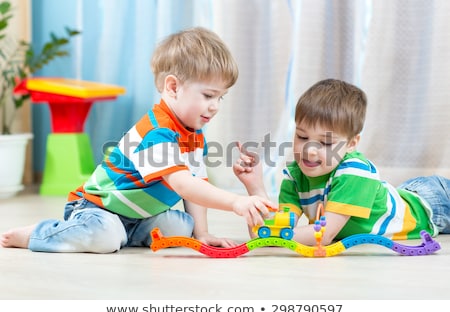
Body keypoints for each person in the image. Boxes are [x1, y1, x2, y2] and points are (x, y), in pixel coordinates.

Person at [1, 27, 275, 253]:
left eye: (220, 98)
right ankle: (39, 233)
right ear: (173, 87)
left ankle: (127, 234)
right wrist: (236, 202)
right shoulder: (156, 132)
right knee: (105, 237)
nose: (215, 106)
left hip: (138, 215)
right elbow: (183, 185)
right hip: (98, 207)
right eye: (208, 95)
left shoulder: (193, 132)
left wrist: (202, 234)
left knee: (184, 227)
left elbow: (197, 180)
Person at [234, 78, 449, 246]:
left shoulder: (354, 172)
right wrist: (255, 187)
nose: (310, 150)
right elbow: (271, 230)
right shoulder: (296, 175)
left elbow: (324, 235)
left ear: (352, 144)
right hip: (407, 197)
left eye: (326, 143)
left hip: (432, 204)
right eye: (302, 137)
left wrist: (273, 240)